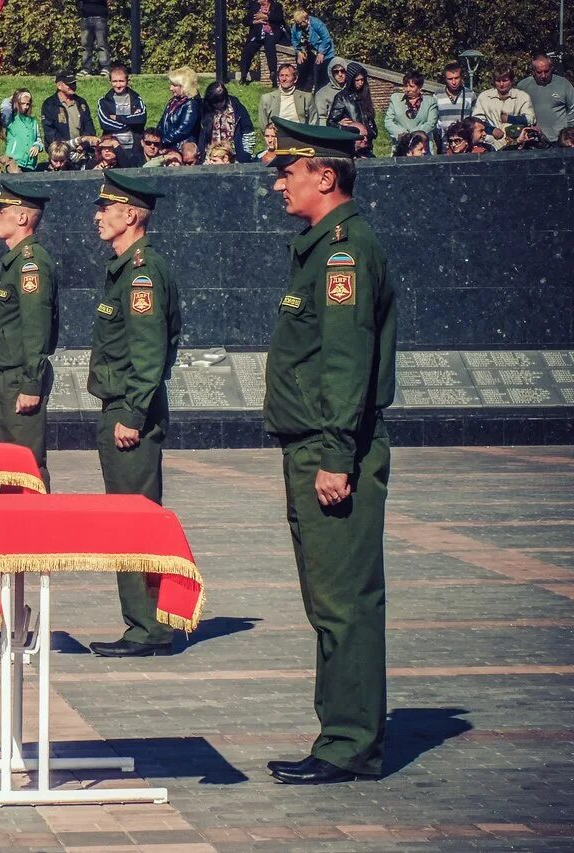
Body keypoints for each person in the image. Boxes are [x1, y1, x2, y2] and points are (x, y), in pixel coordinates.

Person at [262, 115, 394, 785]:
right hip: (313, 442)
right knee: (329, 601)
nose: (280, 182)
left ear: (325, 175)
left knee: (343, 600)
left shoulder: (344, 252)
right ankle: (340, 731)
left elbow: (345, 361)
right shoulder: (322, 248)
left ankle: (350, 742)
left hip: (329, 446)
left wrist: (337, 453)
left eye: (288, 171)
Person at [84, 171, 181, 658]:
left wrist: (133, 414)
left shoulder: (142, 273)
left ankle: (149, 626)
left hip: (128, 413)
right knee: (125, 518)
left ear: (132, 215)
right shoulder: (126, 268)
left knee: (135, 520)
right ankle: (144, 622)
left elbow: (149, 353)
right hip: (121, 407)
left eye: (107, 208)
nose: (98, 216)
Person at [0, 179, 57, 490]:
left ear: (22, 218)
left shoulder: (31, 264)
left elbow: (36, 327)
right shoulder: (15, 263)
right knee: (9, 461)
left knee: (26, 461)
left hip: (21, 375)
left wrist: (31, 382)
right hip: (9, 373)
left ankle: (37, 531)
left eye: (1, 211)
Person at [473, 65, 537, 150]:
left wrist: (510, 119)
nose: (501, 84)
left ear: (511, 80)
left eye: (505, 80)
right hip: (491, 145)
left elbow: (530, 119)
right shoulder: (484, 97)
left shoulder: (522, 97)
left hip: (517, 144)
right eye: (498, 81)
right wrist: (492, 130)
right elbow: (476, 120)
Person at [517, 53, 574, 144]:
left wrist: (569, 134)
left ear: (551, 68)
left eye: (546, 71)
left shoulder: (563, 84)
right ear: (533, 71)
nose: (543, 75)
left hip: (559, 141)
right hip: (533, 141)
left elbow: (572, 110)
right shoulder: (523, 86)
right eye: (539, 72)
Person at [98, 65, 149, 166]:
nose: (118, 85)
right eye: (114, 81)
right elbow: (105, 123)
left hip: (134, 148)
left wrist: (117, 118)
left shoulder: (136, 99)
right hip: (113, 149)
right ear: (110, 82)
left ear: (127, 81)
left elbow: (141, 118)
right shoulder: (104, 101)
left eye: (121, 81)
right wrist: (130, 122)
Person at [42, 72, 99, 156]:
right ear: (59, 85)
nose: (72, 86)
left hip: (82, 151)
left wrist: (84, 144)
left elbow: (88, 124)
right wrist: (67, 146)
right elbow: (50, 131)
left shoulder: (81, 102)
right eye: (69, 84)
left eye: (74, 83)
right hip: (60, 153)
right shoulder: (49, 104)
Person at [327, 63, 377, 158]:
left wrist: (369, 133)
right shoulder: (341, 97)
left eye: (362, 80)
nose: (360, 83)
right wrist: (342, 127)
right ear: (351, 80)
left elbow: (372, 122)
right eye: (357, 80)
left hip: (367, 145)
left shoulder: (365, 95)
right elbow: (330, 123)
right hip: (351, 146)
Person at [199, 81, 256, 163]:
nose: (217, 105)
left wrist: (245, 155)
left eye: (219, 101)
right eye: (214, 102)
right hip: (210, 158)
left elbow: (248, 132)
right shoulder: (204, 110)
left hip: (234, 158)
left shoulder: (238, 109)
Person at [239, 0, 288, 85]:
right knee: (247, 51)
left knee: (270, 50)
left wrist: (266, 16)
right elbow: (245, 21)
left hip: (271, 33)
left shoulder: (276, 6)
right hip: (258, 35)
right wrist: (256, 22)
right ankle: (243, 76)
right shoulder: (255, 6)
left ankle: (273, 75)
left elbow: (279, 18)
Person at [383, 70, 438, 145]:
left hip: (422, 145)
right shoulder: (395, 98)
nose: (408, 89)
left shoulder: (430, 101)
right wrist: (402, 134)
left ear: (419, 87)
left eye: (412, 86)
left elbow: (431, 123)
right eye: (406, 86)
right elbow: (388, 121)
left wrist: (413, 135)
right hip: (401, 144)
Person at [258, 64, 317, 129]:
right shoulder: (267, 98)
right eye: (281, 75)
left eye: (287, 76)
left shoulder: (306, 97)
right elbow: (264, 125)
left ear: (295, 79)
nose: (284, 79)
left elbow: (313, 122)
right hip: (277, 135)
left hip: (299, 135)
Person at [288, 9, 335, 92]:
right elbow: (294, 40)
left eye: (300, 23)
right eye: (297, 24)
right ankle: (302, 92)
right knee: (303, 72)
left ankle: (318, 94)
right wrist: (298, 51)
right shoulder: (296, 27)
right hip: (308, 52)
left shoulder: (317, 24)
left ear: (306, 20)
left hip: (324, 52)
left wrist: (321, 53)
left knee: (319, 75)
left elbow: (326, 39)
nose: (298, 26)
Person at [434, 62, 476, 151]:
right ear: (445, 79)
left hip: (465, 144)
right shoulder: (437, 95)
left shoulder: (470, 94)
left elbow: (474, 119)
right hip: (445, 144)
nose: (454, 82)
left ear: (461, 78)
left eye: (456, 78)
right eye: (450, 79)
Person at [158, 67, 201, 149]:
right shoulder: (173, 101)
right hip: (168, 146)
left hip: (182, 149)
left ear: (184, 86)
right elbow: (161, 123)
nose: (171, 88)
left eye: (174, 85)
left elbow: (183, 130)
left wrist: (162, 141)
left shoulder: (191, 103)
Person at [0, 89, 42, 170]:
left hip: (30, 164)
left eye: (28, 104)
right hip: (14, 162)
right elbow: (5, 108)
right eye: (22, 103)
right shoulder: (11, 119)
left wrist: (37, 146)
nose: (26, 107)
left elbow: (38, 139)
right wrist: (11, 99)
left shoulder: (33, 122)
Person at [77, 0, 110, 77]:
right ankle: (86, 69)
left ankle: (105, 67)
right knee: (85, 45)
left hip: (100, 16)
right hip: (86, 17)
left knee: (101, 44)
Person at [314, 58, 348, 126]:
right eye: (336, 72)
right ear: (331, 73)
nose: (340, 74)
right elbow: (321, 118)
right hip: (332, 130)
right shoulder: (322, 94)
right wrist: (336, 124)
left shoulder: (352, 89)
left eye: (342, 71)